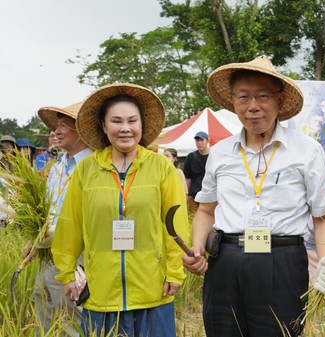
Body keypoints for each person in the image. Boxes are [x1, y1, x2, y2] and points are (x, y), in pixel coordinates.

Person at [181, 55, 325, 337]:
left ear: (280, 101)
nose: (252, 106)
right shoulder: (220, 152)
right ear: (233, 101)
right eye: (243, 97)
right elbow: (206, 210)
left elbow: (323, 214)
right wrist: (196, 248)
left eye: (263, 96)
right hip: (225, 261)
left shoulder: (306, 150)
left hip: (281, 261)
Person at [51, 83, 189, 337]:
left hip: (152, 289)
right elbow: (69, 224)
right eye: (116, 121)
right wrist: (67, 272)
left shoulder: (161, 167)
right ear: (104, 126)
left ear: (141, 125)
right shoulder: (87, 169)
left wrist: (174, 271)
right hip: (101, 291)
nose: (125, 128)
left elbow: (175, 225)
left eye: (132, 121)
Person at [29, 101, 91, 336]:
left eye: (64, 124)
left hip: (76, 255)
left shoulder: (93, 166)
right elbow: (47, 210)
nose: (56, 131)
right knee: (43, 312)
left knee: (70, 320)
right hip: (47, 255)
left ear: (83, 129)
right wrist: (34, 240)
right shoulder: (56, 168)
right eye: (55, 126)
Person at [183, 131, 209, 212]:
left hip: (209, 195)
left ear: (207, 141)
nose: (199, 142)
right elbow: (187, 177)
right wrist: (186, 194)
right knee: (192, 219)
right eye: (197, 140)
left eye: (202, 140)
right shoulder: (191, 157)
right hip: (193, 195)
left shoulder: (213, 155)